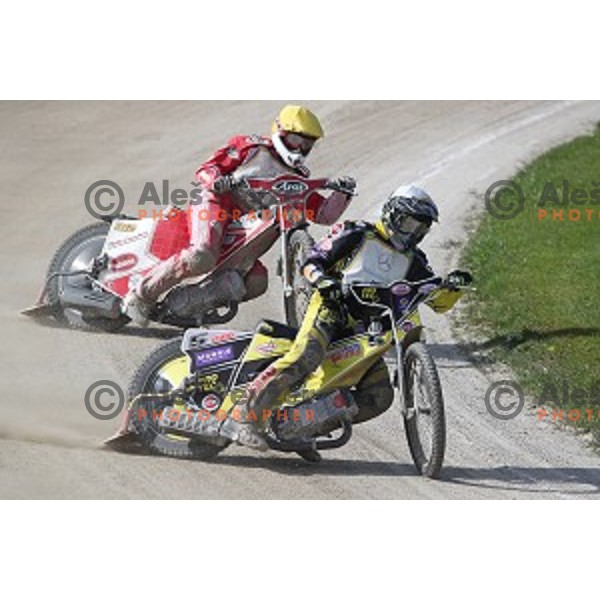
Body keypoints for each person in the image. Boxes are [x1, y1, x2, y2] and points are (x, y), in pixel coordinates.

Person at [224, 184, 472, 455]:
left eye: (420, 229)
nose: (413, 233)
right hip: (331, 309)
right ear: (393, 214)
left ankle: (301, 428)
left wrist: (454, 287)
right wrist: (322, 279)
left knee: (380, 396)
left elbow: (437, 301)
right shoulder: (357, 233)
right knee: (306, 355)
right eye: (409, 223)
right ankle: (244, 416)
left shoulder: (415, 261)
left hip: (368, 332)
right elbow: (312, 260)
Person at [124, 105, 356, 325]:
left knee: (256, 282)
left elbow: (323, 215)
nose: (300, 148)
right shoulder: (251, 147)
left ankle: (178, 308)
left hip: (244, 226)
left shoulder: (298, 177)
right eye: (296, 140)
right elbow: (206, 169)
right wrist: (218, 181)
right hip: (216, 203)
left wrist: (342, 193)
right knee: (202, 255)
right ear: (281, 132)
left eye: (307, 144)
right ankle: (140, 295)